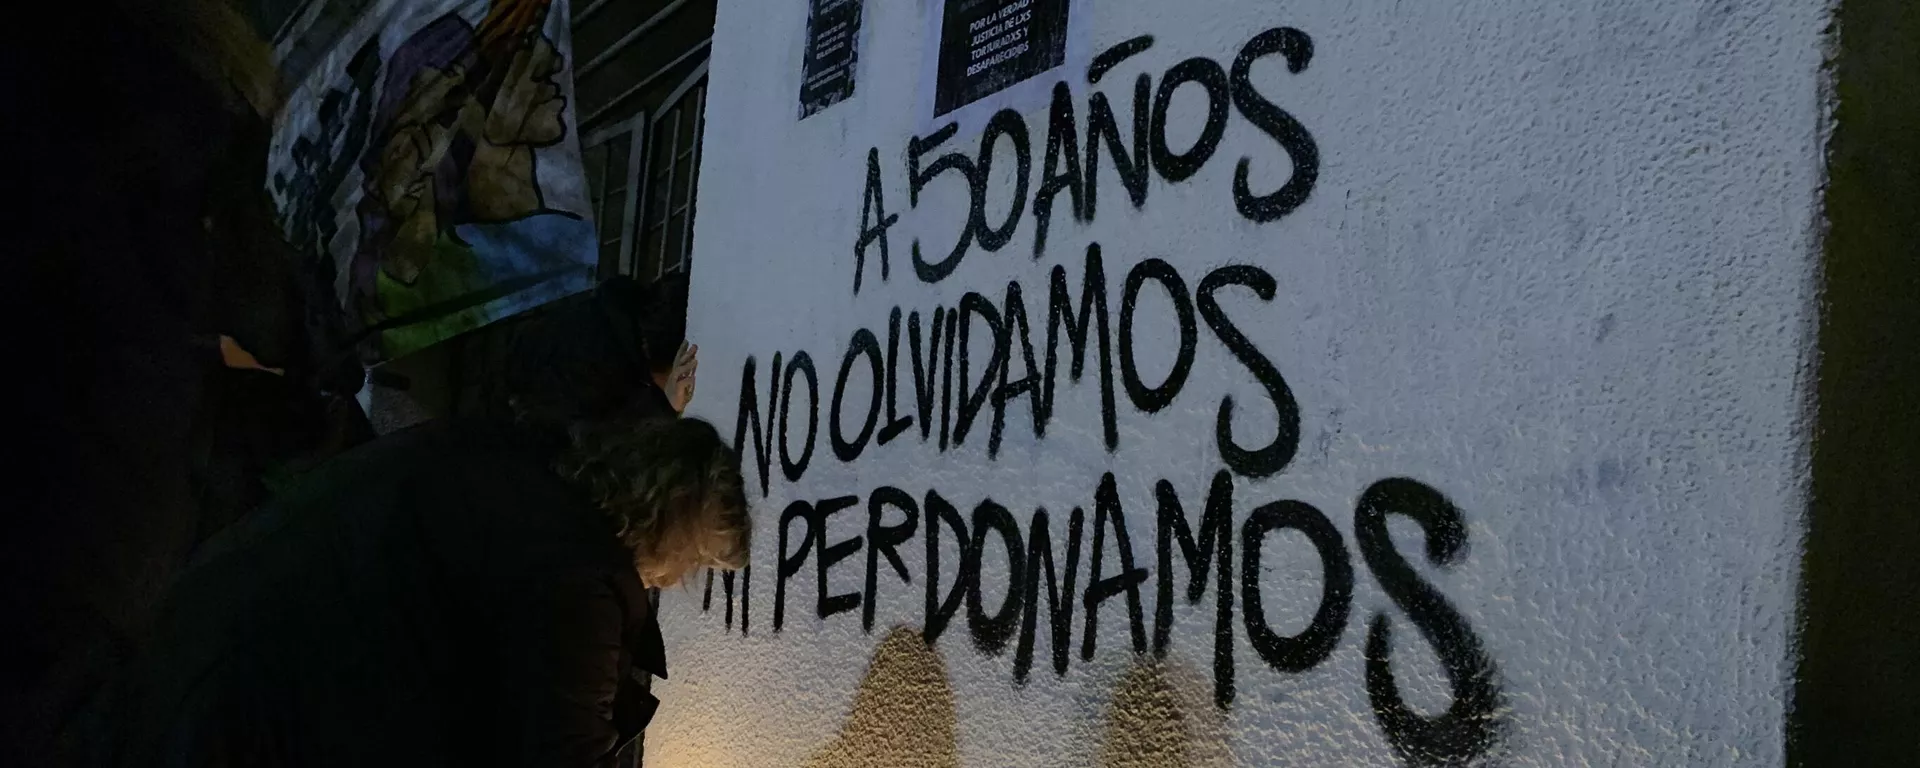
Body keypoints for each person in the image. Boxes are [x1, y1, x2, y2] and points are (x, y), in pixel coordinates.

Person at [113, 377, 749, 766]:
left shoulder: (510, 462)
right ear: (668, 530)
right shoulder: (573, 575)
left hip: (195, 645)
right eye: (695, 561)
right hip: (257, 725)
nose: (675, 582)